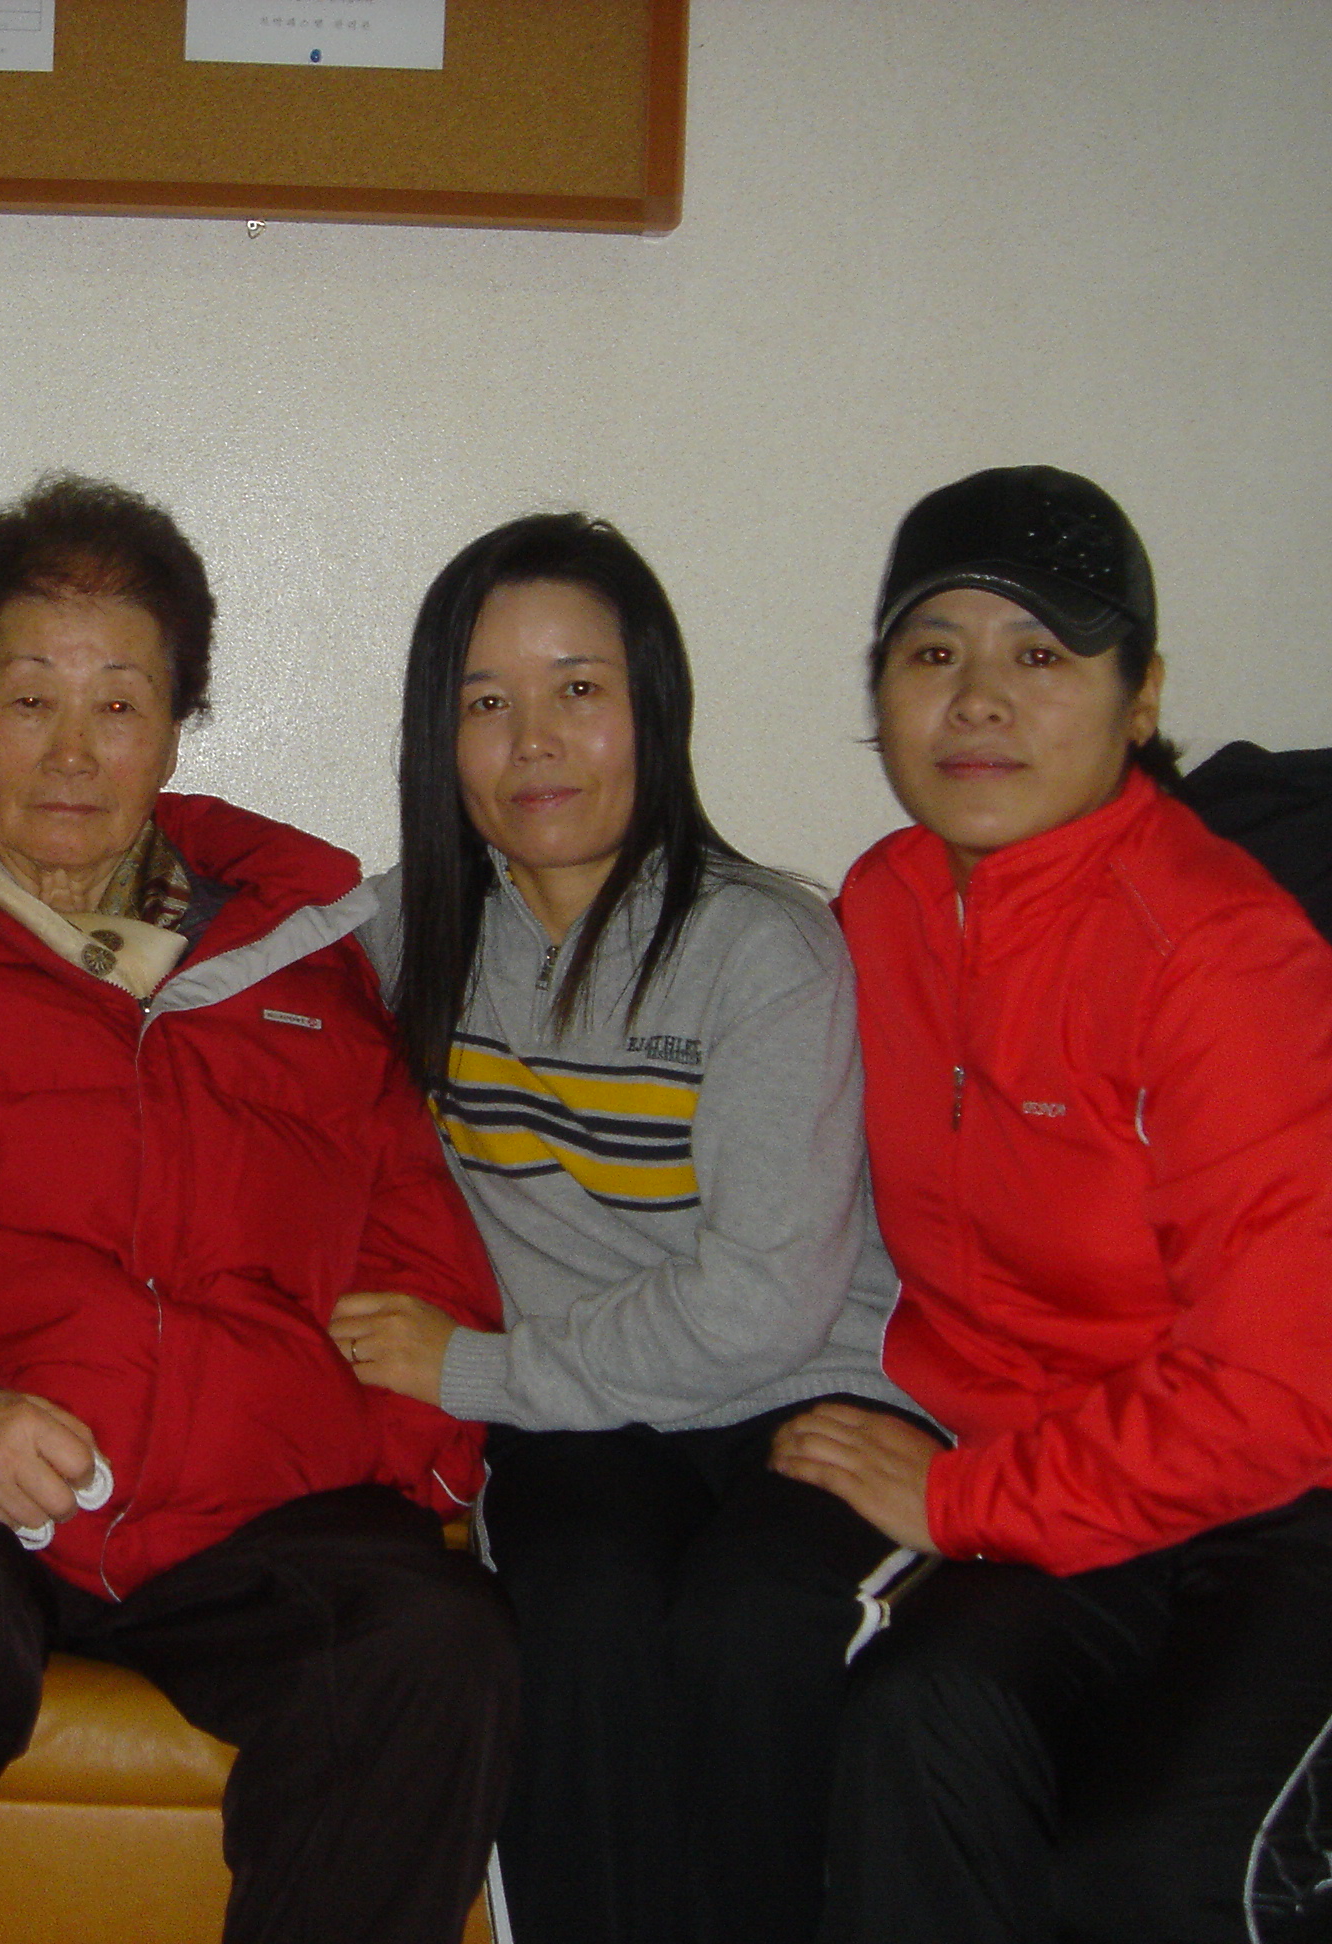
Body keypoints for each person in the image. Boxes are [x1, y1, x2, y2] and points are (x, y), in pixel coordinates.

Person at [0, 473, 517, 1944]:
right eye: (29, 701)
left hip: (237, 1506)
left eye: (120, 705)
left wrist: (387, 1455)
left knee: (432, 1645)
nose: (73, 752)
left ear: (175, 728)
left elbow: (416, 1248)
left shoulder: (300, 955)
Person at [776, 464, 1332, 1944]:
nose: (979, 699)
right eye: (934, 651)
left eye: (1041, 653)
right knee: (917, 1723)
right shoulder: (886, 909)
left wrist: (961, 1502)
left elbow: (1278, 1394)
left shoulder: (1225, 959)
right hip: (1093, 1478)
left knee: (1171, 1882)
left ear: (1142, 697)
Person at [327, 512, 927, 1944]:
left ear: (654, 707)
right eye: (486, 702)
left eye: (579, 688)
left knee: (750, 1625)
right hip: (589, 1421)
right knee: (572, 1616)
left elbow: (764, 1304)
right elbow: (213, 935)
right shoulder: (414, 936)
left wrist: (471, 1369)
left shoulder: (765, 948)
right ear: (439, 740)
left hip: (806, 1393)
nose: (534, 741)